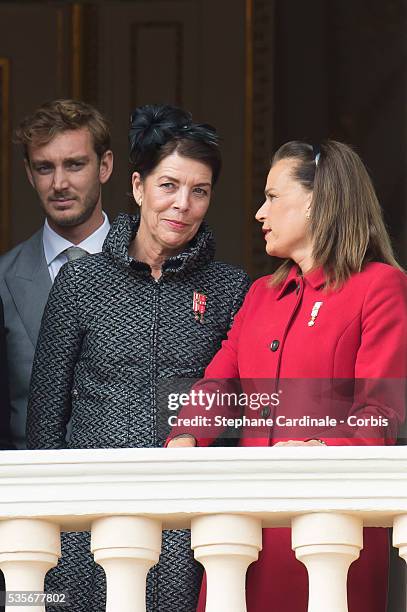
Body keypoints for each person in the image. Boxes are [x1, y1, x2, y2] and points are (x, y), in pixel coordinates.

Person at [26, 104, 251, 611]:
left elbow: (237, 408)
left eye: (200, 191)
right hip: (85, 513)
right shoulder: (82, 280)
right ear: (137, 186)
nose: (182, 205)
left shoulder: (230, 288)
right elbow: (45, 414)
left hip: (185, 522)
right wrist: (51, 515)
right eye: (168, 185)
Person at [167, 140, 407, 611]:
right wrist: (186, 436)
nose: (260, 212)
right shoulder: (261, 294)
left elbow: (381, 414)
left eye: (273, 197)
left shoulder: (380, 287)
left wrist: (319, 450)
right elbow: (221, 385)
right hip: (241, 535)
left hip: (331, 535)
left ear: (317, 202)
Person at [0, 99, 113, 450]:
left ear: (104, 166)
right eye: (45, 168)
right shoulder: (2, 280)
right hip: (26, 490)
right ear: (29, 174)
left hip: (131, 489)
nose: (59, 183)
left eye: (75, 165)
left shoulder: (154, 266)